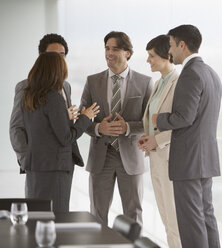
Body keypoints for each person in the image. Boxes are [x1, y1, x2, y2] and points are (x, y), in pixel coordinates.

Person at [152, 25, 222, 248]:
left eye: (171, 45)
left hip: (189, 162)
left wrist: (158, 120)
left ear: (182, 45)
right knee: (206, 216)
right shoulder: (211, 73)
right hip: (206, 159)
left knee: (191, 222)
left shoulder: (190, 74)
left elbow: (184, 117)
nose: (170, 52)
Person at [80, 31, 153, 225]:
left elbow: (151, 123)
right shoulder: (92, 81)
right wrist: (98, 129)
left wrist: (127, 127)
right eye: (107, 48)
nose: (109, 53)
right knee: (97, 214)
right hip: (101, 158)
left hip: (130, 157)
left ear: (127, 53)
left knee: (133, 214)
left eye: (115, 49)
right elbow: (82, 119)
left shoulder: (145, 83)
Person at [22, 52, 99, 212]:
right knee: (57, 216)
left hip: (35, 165)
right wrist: (85, 118)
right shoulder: (54, 98)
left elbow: (42, 127)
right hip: (55, 167)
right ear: (57, 72)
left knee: (37, 214)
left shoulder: (29, 96)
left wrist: (65, 116)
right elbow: (66, 138)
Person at [10, 33, 82, 174]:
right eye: (53, 55)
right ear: (41, 56)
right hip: (39, 163)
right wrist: (26, 160)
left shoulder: (66, 86)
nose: (58, 59)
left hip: (64, 162)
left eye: (62, 55)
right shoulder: (25, 87)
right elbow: (16, 128)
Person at [137, 35, 181, 248]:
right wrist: (148, 138)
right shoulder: (158, 83)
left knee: (174, 221)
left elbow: (183, 125)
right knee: (165, 219)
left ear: (166, 56)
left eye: (152, 56)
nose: (148, 60)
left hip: (171, 160)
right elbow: (155, 121)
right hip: (155, 159)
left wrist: (158, 140)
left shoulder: (178, 82)